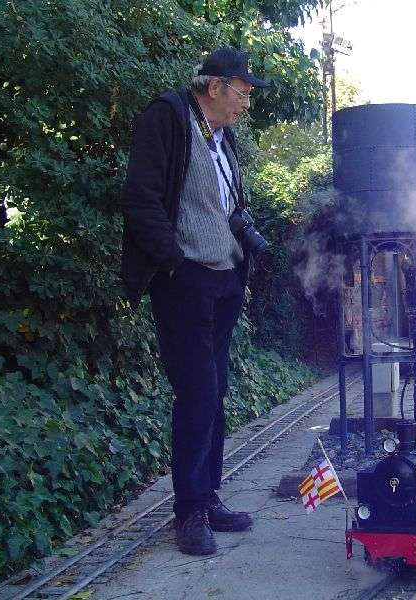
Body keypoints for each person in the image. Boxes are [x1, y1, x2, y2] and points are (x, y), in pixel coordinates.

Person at [120, 47, 268, 555]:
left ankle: (207, 497)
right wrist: (173, 262)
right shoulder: (167, 116)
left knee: (217, 392)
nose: (246, 103)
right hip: (184, 280)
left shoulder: (223, 140)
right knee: (198, 394)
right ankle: (188, 514)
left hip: (224, 278)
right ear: (215, 86)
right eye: (243, 92)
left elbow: (224, 203)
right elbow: (140, 198)